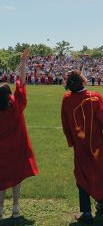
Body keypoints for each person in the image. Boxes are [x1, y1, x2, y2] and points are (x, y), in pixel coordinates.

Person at [61, 70, 103, 225]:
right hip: (95, 143)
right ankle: (100, 204)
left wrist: (71, 139)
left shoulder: (67, 99)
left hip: (80, 144)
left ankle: (86, 212)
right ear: (82, 81)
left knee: (82, 174)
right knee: (98, 171)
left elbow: (65, 121)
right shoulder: (95, 97)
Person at [0, 50, 38, 220]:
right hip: (18, 147)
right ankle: (15, 208)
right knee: (16, 178)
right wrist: (23, 62)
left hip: (1, 151)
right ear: (9, 94)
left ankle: (0, 211)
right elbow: (21, 83)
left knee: (1, 182)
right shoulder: (16, 105)